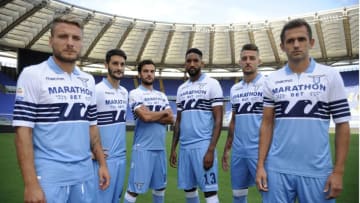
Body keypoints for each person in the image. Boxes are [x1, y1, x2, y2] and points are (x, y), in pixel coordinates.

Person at [12, 15, 110, 203]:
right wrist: (31, 184)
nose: (70, 43)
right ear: (51, 41)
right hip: (50, 175)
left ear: (81, 44)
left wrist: (103, 165)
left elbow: (92, 128)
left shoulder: (88, 80)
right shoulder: (32, 75)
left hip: (84, 173)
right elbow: (23, 131)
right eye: (63, 36)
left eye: (76, 38)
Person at [255, 18, 351, 203]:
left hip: (317, 170)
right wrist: (260, 165)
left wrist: (338, 171)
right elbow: (266, 124)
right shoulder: (272, 80)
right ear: (282, 46)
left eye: (301, 39)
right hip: (277, 169)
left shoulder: (330, 75)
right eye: (290, 41)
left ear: (311, 42)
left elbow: (342, 125)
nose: (296, 44)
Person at [169, 48, 224, 203]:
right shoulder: (181, 89)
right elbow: (178, 121)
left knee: (210, 192)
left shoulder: (212, 84)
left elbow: (218, 120)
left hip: (203, 146)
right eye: (188, 61)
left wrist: (211, 150)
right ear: (185, 64)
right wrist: (174, 148)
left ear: (202, 63)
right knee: (189, 190)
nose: (192, 64)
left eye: (195, 61)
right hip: (185, 147)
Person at [123, 59, 174, 203]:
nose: (149, 74)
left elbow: (171, 119)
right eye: (145, 71)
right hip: (143, 149)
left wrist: (151, 115)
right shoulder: (135, 93)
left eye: (152, 71)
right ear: (140, 74)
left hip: (160, 149)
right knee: (133, 190)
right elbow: (144, 117)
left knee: (160, 189)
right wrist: (161, 113)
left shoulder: (162, 95)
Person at [222, 43, 264, 203]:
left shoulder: (267, 85)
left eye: (252, 58)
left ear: (259, 61)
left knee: (268, 193)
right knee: (238, 195)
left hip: (259, 151)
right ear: (240, 62)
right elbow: (234, 119)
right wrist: (227, 149)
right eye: (244, 58)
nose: (248, 61)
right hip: (238, 152)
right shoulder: (235, 89)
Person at [93, 49, 128, 203]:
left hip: (121, 158)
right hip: (103, 160)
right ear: (106, 65)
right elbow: (85, 125)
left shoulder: (124, 92)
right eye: (115, 63)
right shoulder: (96, 90)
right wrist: (90, 152)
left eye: (122, 64)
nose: (119, 67)